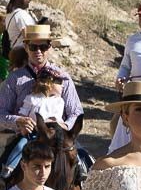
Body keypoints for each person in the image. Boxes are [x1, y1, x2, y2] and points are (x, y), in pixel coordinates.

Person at [0, 25, 84, 159]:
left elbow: (76, 111)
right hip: (27, 136)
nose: (38, 51)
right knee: (7, 166)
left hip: (58, 136)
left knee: (83, 162)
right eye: (33, 47)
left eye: (43, 47)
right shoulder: (15, 79)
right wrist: (18, 121)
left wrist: (65, 125)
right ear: (26, 47)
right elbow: (1, 112)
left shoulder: (63, 77)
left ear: (50, 47)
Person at [0, 66, 65, 179]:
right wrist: (24, 121)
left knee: (68, 149)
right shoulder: (32, 98)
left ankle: (78, 170)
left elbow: (58, 118)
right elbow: (23, 113)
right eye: (59, 82)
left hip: (51, 135)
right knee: (21, 146)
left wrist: (59, 124)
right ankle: (8, 168)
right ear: (48, 83)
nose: (62, 85)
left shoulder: (59, 101)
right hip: (33, 132)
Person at [3, 0, 35, 72]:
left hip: (16, 53)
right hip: (24, 55)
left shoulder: (10, 14)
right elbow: (28, 37)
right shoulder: (21, 14)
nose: (29, 0)